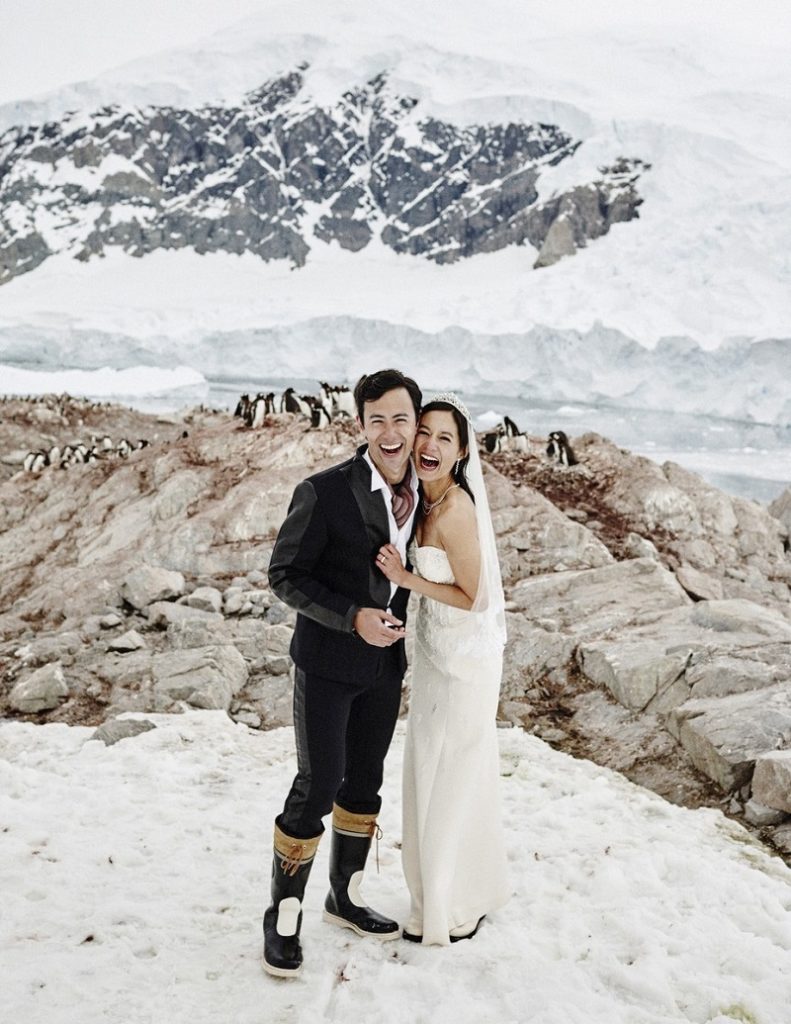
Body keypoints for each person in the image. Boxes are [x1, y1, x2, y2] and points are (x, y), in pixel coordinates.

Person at [263, 368, 422, 977]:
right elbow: (285, 575)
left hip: (385, 667)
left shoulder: (428, 493)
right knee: (318, 781)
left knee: (364, 781)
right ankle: (282, 914)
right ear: (360, 424)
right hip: (328, 662)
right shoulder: (324, 490)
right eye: (376, 419)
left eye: (400, 419)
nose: (389, 432)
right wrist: (352, 616)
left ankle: (345, 895)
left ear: (415, 425)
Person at [376, 393, 510, 945]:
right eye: (424, 433)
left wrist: (408, 582)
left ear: (460, 453)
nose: (429, 445)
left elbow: (477, 596)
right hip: (433, 656)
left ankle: (457, 903)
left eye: (444, 439)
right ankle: (429, 895)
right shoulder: (419, 502)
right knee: (426, 769)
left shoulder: (455, 509)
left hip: (467, 662)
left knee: (454, 774)